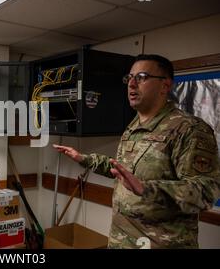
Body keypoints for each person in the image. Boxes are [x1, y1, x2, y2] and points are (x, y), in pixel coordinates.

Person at [54, 54, 220, 249]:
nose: (131, 84)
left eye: (141, 77)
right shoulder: (133, 126)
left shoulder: (189, 129)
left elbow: (206, 192)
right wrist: (84, 159)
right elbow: (122, 171)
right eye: (129, 78)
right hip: (121, 241)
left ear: (165, 86)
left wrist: (146, 189)